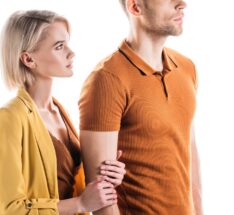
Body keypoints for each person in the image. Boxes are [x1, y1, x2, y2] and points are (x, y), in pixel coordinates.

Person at [0, 10, 126, 215]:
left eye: (67, 44)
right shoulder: (9, 118)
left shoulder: (60, 111)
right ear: (28, 59)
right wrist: (80, 204)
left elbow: (71, 181)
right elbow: (10, 210)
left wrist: (107, 175)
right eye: (59, 46)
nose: (71, 53)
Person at [78, 0, 203, 214]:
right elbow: (101, 198)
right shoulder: (106, 80)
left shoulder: (186, 68)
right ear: (135, 7)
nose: (182, 4)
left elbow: (189, 154)